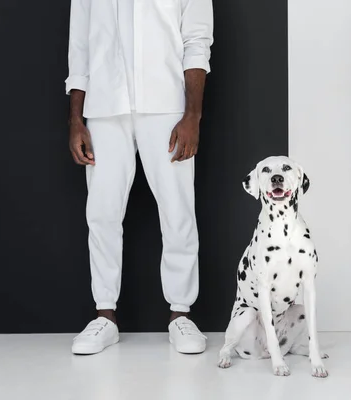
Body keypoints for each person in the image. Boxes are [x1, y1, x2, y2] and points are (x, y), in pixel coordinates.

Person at [66, 0, 213, 355]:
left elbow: (196, 40)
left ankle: (180, 313)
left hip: (165, 104)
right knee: (101, 213)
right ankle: (105, 316)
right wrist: (76, 119)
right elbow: (80, 48)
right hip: (103, 106)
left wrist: (193, 115)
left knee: (177, 210)